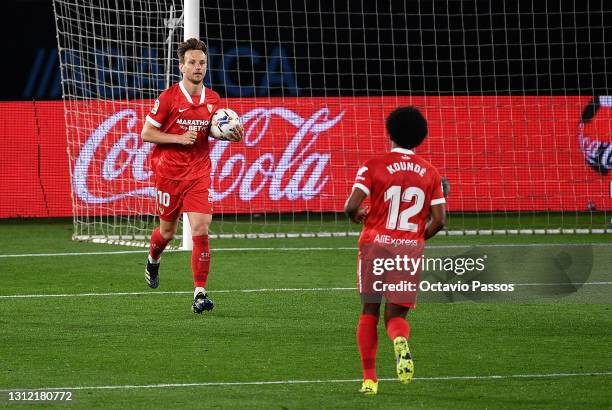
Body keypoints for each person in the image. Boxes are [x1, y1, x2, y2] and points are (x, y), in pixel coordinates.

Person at [344, 106, 446, 395]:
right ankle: (400, 341)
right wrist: (416, 239)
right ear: (420, 138)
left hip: (374, 247)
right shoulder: (431, 173)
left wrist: (356, 215)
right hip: (409, 250)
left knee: (369, 312)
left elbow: (351, 206)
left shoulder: (373, 165)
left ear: (389, 132)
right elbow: (440, 220)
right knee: (396, 317)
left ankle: (369, 380)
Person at [141, 38, 243, 313]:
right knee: (167, 232)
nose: (198, 67)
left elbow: (210, 130)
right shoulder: (168, 98)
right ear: (181, 67)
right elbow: (146, 133)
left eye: (202, 63)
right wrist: (177, 138)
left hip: (199, 172)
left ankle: (200, 292)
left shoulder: (213, 100)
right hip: (168, 174)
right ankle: (153, 257)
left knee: (201, 227)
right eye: (192, 63)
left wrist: (229, 134)